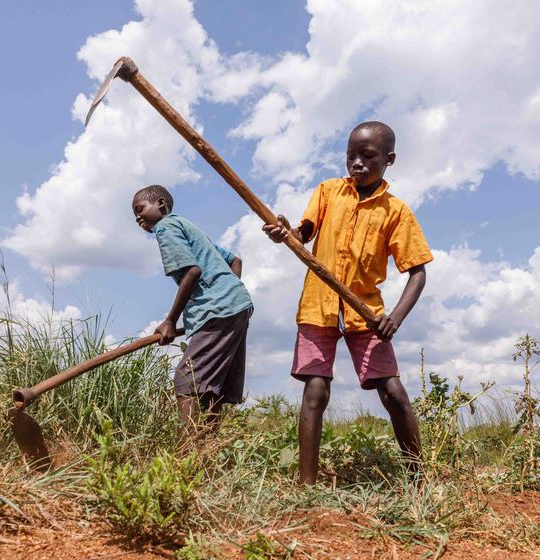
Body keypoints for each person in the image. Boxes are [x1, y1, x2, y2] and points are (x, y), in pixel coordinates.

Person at [263, 121, 433, 484]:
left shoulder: (395, 211)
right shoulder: (328, 191)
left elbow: (417, 273)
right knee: (315, 390)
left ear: (389, 160)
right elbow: (304, 233)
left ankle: (418, 480)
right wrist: (287, 233)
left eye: (367, 156)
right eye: (351, 156)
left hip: (366, 313)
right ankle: (307, 485)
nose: (357, 163)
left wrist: (394, 318)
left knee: (393, 392)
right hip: (317, 305)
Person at [132, 184, 253, 443]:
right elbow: (235, 261)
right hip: (237, 306)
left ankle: (185, 456)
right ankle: (207, 454)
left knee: (186, 381)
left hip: (219, 310)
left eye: (140, 209)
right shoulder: (186, 225)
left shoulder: (165, 227)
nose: (138, 217)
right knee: (211, 389)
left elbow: (192, 271)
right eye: (135, 214)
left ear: (161, 204)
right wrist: (230, 291)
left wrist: (170, 320)